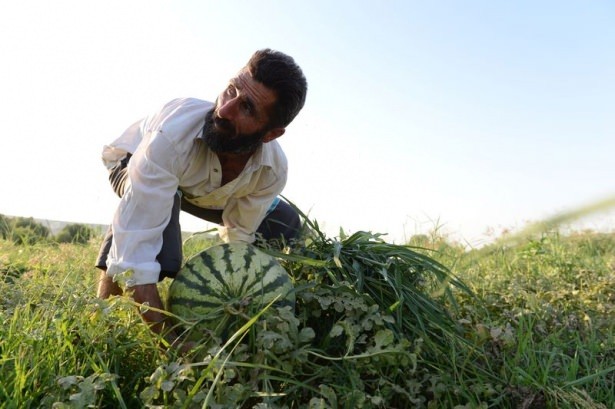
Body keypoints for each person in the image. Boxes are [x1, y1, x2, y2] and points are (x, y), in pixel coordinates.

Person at [95, 49, 308, 349]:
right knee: (159, 239)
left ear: (271, 134)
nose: (224, 110)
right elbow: (135, 252)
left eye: (246, 108)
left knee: (284, 220)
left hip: (207, 190)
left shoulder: (272, 171)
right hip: (133, 161)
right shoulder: (171, 136)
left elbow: (238, 239)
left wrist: (235, 299)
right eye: (231, 90)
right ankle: (101, 323)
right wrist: (171, 341)